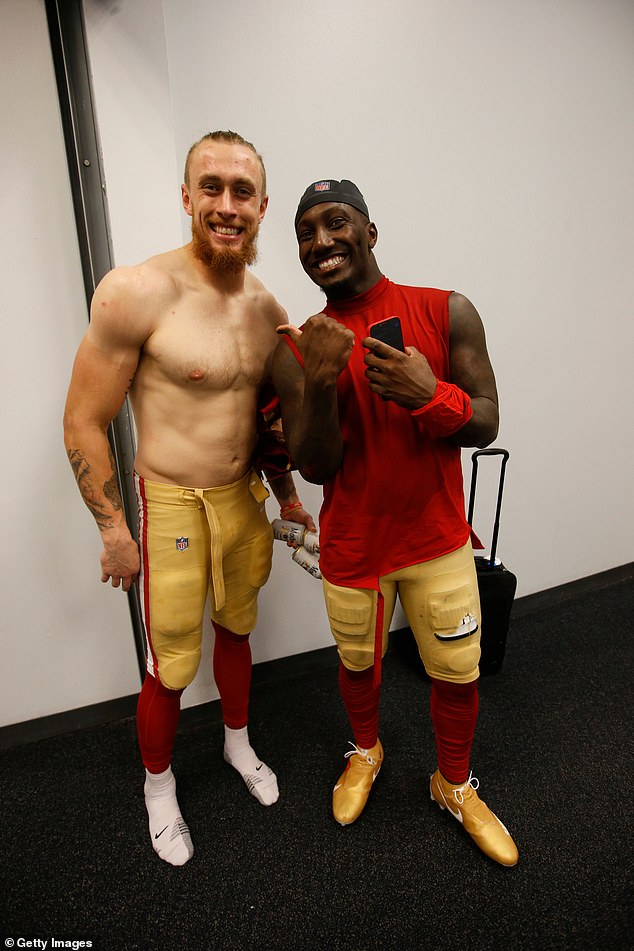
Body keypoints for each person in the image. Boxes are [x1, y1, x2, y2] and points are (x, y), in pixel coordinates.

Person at [63, 131, 314, 867]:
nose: (227, 205)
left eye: (243, 191)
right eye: (212, 187)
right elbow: (84, 418)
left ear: (263, 206)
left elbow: (268, 421)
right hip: (168, 501)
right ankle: (158, 787)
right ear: (186, 197)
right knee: (170, 662)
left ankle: (237, 743)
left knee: (237, 628)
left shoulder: (269, 308)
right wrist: (113, 528)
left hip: (241, 498)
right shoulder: (136, 290)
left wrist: (288, 496)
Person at [272, 178, 519, 867]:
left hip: (436, 538)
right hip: (354, 546)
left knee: (458, 669)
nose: (321, 241)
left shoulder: (448, 310)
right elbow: (317, 467)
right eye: (305, 233)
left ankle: (454, 782)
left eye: (336, 222)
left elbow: (487, 419)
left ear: (370, 231)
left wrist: (427, 393)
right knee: (359, 663)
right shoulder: (295, 348)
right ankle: (366, 750)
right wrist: (319, 382)